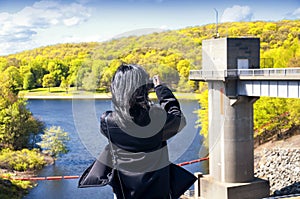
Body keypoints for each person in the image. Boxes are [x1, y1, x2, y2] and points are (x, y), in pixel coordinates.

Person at [99, 64, 196, 199]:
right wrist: (161, 89)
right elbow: (179, 120)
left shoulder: (107, 121)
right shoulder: (156, 118)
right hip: (158, 192)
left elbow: (128, 121)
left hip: (125, 193)